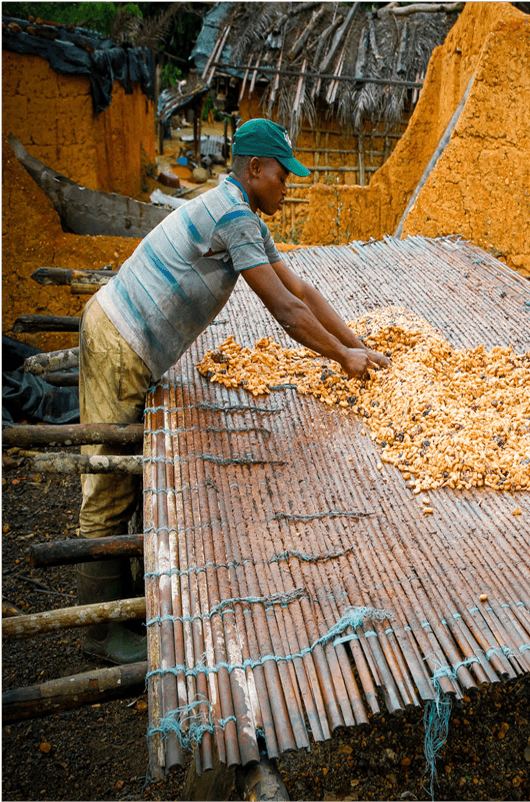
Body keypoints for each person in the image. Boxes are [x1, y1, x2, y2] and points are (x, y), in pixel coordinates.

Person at [78, 118, 390, 664]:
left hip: (127, 338)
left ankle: (121, 603)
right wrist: (342, 359)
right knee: (108, 483)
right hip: (120, 339)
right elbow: (287, 313)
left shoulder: (241, 212)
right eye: (281, 175)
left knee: (122, 473)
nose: (286, 187)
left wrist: (357, 344)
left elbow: (303, 288)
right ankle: (99, 634)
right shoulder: (233, 216)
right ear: (254, 169)